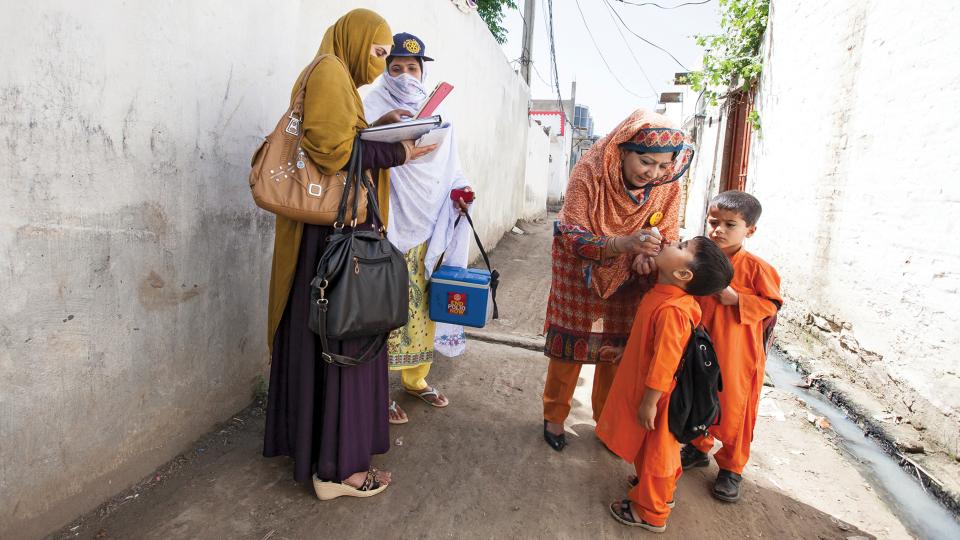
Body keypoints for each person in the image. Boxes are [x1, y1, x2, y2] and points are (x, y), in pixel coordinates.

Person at [262, 9, 436, 500]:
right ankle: (339, 472)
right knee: (347, 345)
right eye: (380, 52)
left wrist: (376, 126)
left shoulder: (330, 73)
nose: (382, 64)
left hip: (322, 239)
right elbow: (333, 152)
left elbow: (339, 137)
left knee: (323, 342)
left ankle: (318, 456)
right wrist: (399, 151)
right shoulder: (331, 71)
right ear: (355, 39)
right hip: (335, 239)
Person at [541, 109, 694, 451]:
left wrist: (646, 255)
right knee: (570, 348)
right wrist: (622, 244)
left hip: (630, 281)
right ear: (623, 150)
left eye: (663, 165)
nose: (653, 173)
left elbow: (667, 234)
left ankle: (606, 421)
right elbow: (572, 234)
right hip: (579, 272)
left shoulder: (667, 187)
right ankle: (554, 416)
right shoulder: (588, 174)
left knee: (616, 353)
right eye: (645, 161)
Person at [362, 32, 473, 424]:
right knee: (384, 307)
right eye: (396, 68)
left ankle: (416, 380)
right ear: (385, 70)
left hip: (428, 224)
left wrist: (461, 192)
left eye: (413, 68)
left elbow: (451, 168)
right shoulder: (369, 102)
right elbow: (356, 152)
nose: (406, 75)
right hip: (384, 223)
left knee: (423, 305)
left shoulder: (441, 115)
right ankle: (377, 391)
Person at [595, 236, 734, 533]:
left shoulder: (673, 309)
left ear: (684, 275)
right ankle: (654, 489)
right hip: (652, 392)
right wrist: (625, 352)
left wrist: (649, 402)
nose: (672, 242)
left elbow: (665, 361)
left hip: (660, 398)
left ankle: (651, 511)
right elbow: (653, 344)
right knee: (651, 449)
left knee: (659, 452)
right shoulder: (666, 296)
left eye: (682, 247)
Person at [681, 191, 782, 502]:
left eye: (730, 224)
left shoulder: (757, 269)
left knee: (735, 408)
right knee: (698, 394)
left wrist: (738, 299)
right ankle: (698, 448)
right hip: (700, 345)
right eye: (714, 222)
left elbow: (772, 305)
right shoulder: (697, 258)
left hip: (738, 353)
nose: (719, 230)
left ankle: (732, 467)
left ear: (749, 230)